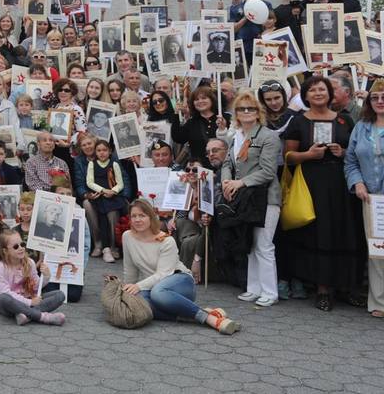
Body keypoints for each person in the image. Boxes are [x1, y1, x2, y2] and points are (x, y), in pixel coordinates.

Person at [281, 76, 363, 311]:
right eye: (313, 90)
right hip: (312, 183)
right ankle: (323, 289)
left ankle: (347, 287)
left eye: (323, 89)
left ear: (330, 94)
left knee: (345, 230)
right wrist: (308, 155)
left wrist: (343, 151)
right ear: (305, 96)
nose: (318, 93)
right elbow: (288, 157)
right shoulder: (298, 121)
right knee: (320, 232)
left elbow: (356, 153)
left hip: (341, 183)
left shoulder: (345, 120)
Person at [121, 198, 240, 333]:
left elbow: (163, 274)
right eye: (134, 216)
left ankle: (209, 319)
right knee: (139, 302)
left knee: (157, 293)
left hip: (179, 282)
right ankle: (192, 314)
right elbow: (129, 269)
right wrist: (127, 292)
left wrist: (137, 286)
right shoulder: (127, 237)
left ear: (151, 217)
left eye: (142, 215)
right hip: (152, 286)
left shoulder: (166, 240)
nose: (137, 220)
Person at [222, 89, 283, 308]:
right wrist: (227, 181)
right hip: (245, 198)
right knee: (250, 242)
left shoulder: (268, 136)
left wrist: (240, 183)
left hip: (265, 197)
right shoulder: (237, 137)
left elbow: (268, 171)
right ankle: (254, 288)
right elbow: (228, 163)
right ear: (236, 114)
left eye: (251, 109)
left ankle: (269, 291)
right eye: (241, 109)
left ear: (258, 113)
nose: (246, 112)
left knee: (264, 245)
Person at [345, 79, 384, 318]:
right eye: (375, 97)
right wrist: (357, 182)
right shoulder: (361, 126)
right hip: (371, 200)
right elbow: (350, 160)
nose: (380, 101)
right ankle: (379, 301)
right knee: (378, 251)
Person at [0, 228, 64, 326]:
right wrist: (30, 302)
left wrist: (46, 276)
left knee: (60, 295)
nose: (21, 248)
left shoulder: (30, 263)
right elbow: (5, 292)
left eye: (22, 244)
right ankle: (43, 317)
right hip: (11, 305)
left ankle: (25, 315)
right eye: (15, 246)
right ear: (5, 251)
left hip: (30, 297)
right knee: (3, 298)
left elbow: (36, 287)